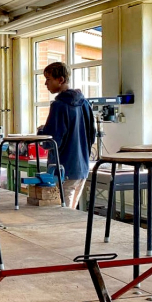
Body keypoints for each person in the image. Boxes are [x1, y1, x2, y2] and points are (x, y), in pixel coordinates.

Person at [38, 62, 95, 210]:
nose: (45, 83)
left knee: (60, 215)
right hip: (82, 169)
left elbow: (51, 142)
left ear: (61, 80)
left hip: (63, 169)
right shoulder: (84, 103)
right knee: (71, 213)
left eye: (48, 79)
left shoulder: (58, 106)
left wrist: (41, 132)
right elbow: (92, 136)